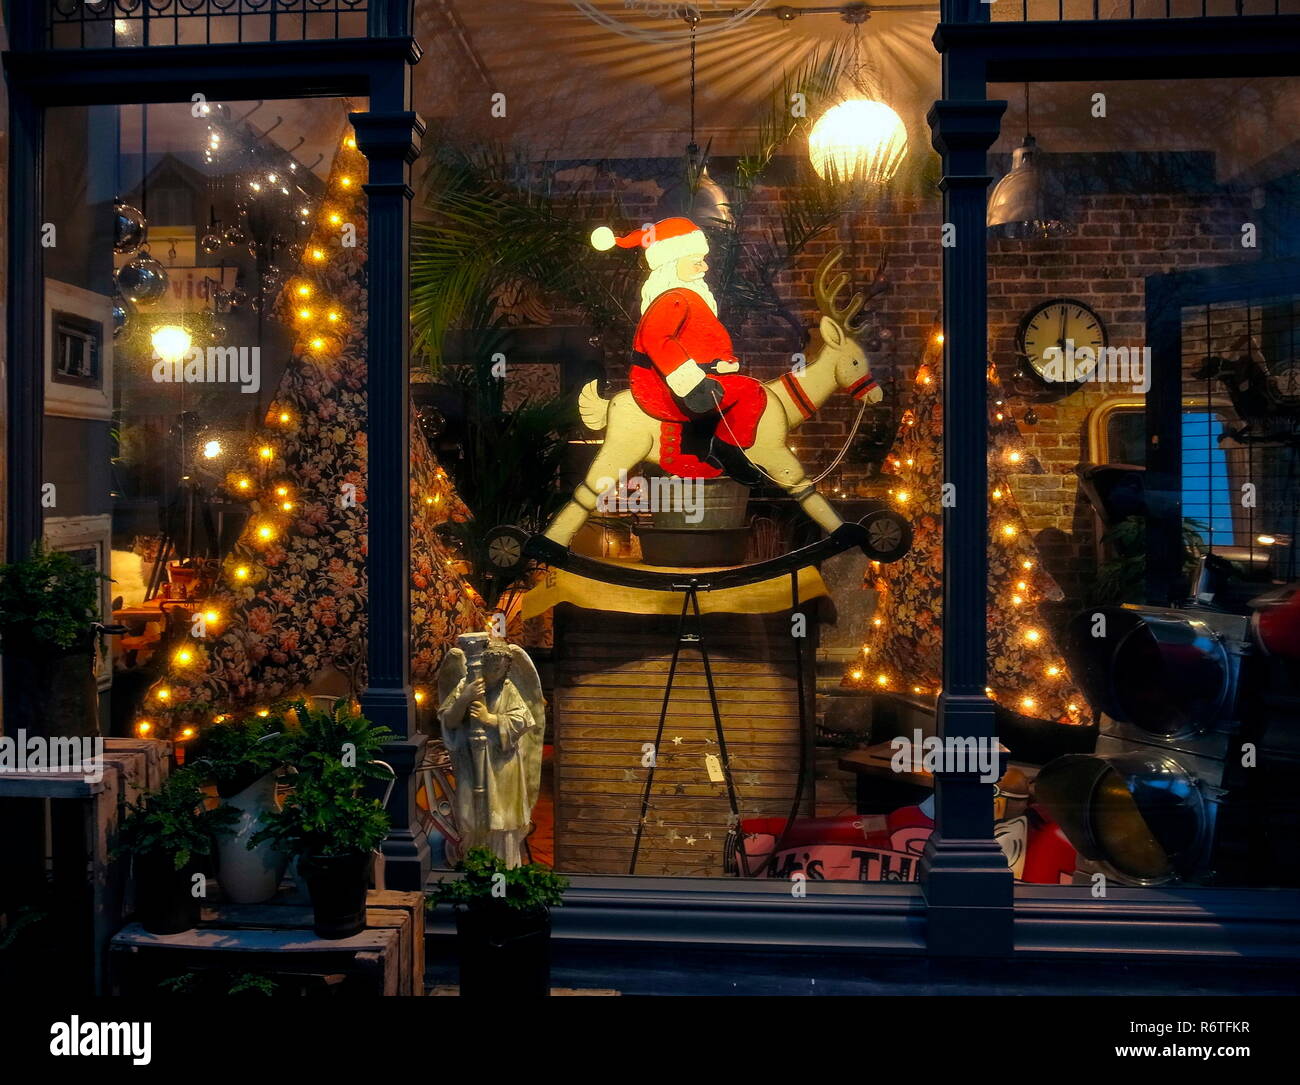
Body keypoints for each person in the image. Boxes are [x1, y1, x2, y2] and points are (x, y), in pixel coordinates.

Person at [591, 216, 766, 484]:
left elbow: (698, 339)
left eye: (703, 259)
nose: (704, 267)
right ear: (671, 261)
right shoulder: (673, 297)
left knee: (732, 392)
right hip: (663, 381)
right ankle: (727, 450)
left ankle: (715, 447)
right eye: (696, 260)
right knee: (750, 393)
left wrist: (720, 363)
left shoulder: (688, 296)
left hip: (689, 376)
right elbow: (657, 340)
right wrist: (690, 380)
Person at [438, 639, 538, 867]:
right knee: (470, 818)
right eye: (491, 667)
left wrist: (489, 718)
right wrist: (464, 698)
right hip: (473, 765)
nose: (495, 672)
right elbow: (449, 721)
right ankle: (476, 872)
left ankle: (504, 874)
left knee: (503, 825)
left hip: (503, 768)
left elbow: (523, 721)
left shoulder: (508, 690)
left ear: (506, 669)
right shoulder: (467, 685)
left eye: (500, 668)